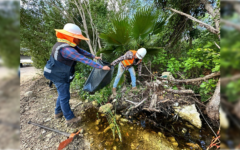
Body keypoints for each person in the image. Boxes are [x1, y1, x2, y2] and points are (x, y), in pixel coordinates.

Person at [44, 23, 110, 126]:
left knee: (62, 94)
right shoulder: (66, 49)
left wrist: (93, 56)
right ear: (71, 37)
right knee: (65, 96)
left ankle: (58, 113)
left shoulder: (67, 44)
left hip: (57, 72)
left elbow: (81, 51)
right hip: (58, 75)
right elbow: (82, 59)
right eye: (77, 38)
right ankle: (69, 118)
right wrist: (101, 67)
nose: (79, 40)